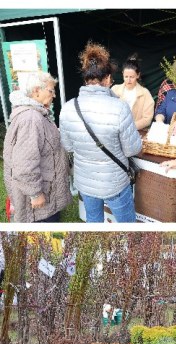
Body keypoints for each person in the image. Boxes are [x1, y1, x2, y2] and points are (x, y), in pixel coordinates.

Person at [59, 42, 142, 223]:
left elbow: (68, 146)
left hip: (85, 180)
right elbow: (132, 150)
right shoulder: (120, 108)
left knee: (94, 223)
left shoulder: (67, 108)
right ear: (107, 78)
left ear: (86, 78)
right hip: (114, 181)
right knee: (127, 225)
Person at [3, 71, 72, 223]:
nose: (54, 95)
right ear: (36, 91)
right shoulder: (31, 118)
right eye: (50, 90)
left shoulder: (35, 114)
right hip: (40, 199)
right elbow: (24, 163)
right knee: (45, 238)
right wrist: (35, 193)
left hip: (46, 190)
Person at [111, 54, 154, 130]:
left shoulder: (145, 93)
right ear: (122, 74)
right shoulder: (115, 89)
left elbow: (147, 119)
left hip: (137, 132)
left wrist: (130, 128)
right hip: (116, 131)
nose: (128, 80)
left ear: (138, 75)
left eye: (132, 77)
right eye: (126, 77)